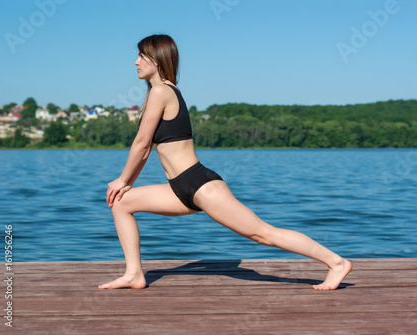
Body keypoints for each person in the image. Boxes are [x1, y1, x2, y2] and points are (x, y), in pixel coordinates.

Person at [98, 34, 352, 290]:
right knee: (120, 202)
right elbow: (145, 148)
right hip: (180, 188)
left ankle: (336, 262)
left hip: (200, 185)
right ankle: (134, 274)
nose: (136, 62)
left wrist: (122, 180)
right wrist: (125, 185)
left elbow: (142, 144)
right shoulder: (164, 91)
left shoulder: (162, 91)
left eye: (141, 56)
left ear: (158, 59)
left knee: (263, 234)